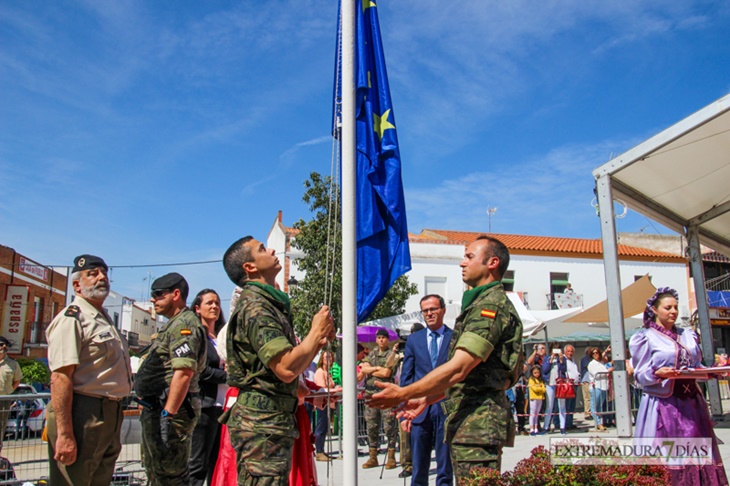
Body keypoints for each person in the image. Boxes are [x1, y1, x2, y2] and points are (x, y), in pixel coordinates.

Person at [367, 236, 523, 481]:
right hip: (470, 421)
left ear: (492, 262)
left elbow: (459, 369)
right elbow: (467, 378)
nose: (462, 263)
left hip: (478, 423)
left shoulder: (489, 307)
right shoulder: (479, 304)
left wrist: (404, 394)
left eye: (469, 257)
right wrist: (426, 400)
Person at [220, 236, 335, 485]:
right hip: (263, 428)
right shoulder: (256, 308)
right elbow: (285, 367)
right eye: (262, 249)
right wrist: (315, 331)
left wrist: (316, 343)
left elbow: (282, 369)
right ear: (249, 267)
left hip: (272, 423)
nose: (271, 249)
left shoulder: (268, 304)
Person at [45, 254, 133, 486]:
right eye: (92, 274)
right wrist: (64, 434)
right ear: (77, 285)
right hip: (83, 412)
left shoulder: (103, 319)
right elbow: (60, 377)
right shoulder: (72, 319)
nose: (101, 277)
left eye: (104, 273)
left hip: (110, 412)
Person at [630, 287, 728, 484]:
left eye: (675, 307)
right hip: (664, 404)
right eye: (668, 307)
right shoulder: (645, 338)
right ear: (655, 310)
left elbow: (695, 367)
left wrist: (715, 371)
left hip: (692, 404)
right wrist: (657, 373)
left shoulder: (688, 335)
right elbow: (640, 374)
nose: (673, 311)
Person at [135, 272, 207, 485]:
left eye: (158, 294)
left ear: (176, 294)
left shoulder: (184, 325)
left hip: (170, 412)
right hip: (159, 409)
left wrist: (168, 413)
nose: (152, 299)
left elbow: (183, 373)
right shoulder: (173, 324)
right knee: (157, 473)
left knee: (170, 476)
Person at [399, 295, 453, 486]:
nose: (429, 313)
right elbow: (407, 376)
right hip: (419, 413)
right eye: (425, 310)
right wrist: (405, 412)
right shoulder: (414, 340)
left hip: (445, 408)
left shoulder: (454, 338)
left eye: (433, 309)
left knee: (445, 467)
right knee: (419, 467)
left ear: (443, 310)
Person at [190, 289, 228, 486]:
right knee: (198, 464)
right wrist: (229, 376)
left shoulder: (222, 335)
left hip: (224, 407)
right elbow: (201, 371)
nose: (214, 306)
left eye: (217, 303)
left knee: (218, 463)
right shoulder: (197, 336)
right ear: (197, 308)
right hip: (205, 406)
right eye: (209, 303)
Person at [359, 328, 401, 470]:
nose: (381, 340)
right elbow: (363, 369)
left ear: (387, 339)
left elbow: (386, 372)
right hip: (370, 394)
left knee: (389, 426)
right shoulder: (372, 353)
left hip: (385, 395)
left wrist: (373, 369)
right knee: (372, 426)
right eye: (379, 338)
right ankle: (373, 457)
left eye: (383, 338)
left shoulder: (392, 355)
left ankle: (391, 456)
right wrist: (377, 368)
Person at [313, 350, 341, 461]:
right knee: (321, 426)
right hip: (322, 403)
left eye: (330, 357)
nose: (328, 359)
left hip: (329, 403)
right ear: (322, 359)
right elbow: (322, 388)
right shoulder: (320, 372)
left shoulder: (328, 373)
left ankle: (322, 450)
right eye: (326, 357)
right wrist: (336, 389)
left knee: (325, 427)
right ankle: (319, 451)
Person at [0, 336, 21, 452]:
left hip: (3, 400)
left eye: (5, 345)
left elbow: (17, 381)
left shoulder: (13, 364)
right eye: (0, 344)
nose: (3, 347)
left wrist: (8, 391)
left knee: (1, 428)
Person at [541, 342, 567, 434]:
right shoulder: (547, 358)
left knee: (562, 405)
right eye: (554, 349)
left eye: (558, 349)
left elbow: (564, 370)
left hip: (560, 384)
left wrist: (561, 360)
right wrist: (550, 360)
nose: (556, 351)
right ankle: (546, 426)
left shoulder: (563, 358)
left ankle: (562, 427)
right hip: (550, 383)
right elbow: (544, 370)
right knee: (549, 405)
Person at [587, 346, 608, 431]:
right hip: (596, 386)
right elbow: (597, 374)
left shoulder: (601, 362)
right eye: (594, 353)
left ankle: (600, 422)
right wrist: (608, 371)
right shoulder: (591, 364)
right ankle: (598, 423)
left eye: (597, 353)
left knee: (599, 406)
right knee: (594, 406)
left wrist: (606, 351)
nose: (596, 354)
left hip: (603, 386)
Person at [562, 344, 580, 429]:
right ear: (565, 352)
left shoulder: (573, 360)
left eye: (571, 351)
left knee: (572, 405)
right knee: (567, 405)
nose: (570, 353)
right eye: (568, 351)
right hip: (568, 385)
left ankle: (570, 422)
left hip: (575, 385)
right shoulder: (564, 360)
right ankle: (566, 424)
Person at [527, 365, 545, 436]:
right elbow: (535, 389)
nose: (537, 374)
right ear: (532, 373)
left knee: (537, 414)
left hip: (540, 398)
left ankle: (536, 428)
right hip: (533, 398)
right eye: (535, 373)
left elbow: (544, 389)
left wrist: (540, 388)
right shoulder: (531, 380)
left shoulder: (540, 380)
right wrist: (539, 388)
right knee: (532, 413)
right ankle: (531, 429)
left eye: (538, 372)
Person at [579, 347, 594, 422]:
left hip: (592, 381)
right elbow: (589, 367)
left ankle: (592, 412)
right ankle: (587, 413)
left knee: (592, 397)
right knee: (587, 398)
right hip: (586, 381)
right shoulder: (585, 359)